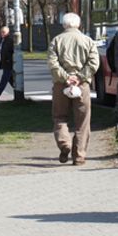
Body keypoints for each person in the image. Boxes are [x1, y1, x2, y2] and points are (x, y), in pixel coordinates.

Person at [47, 13, 99, 165]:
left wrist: (65, 77)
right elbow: (94, 63)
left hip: (60, 84)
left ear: (64, 25)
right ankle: (79, 156)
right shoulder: (88, 41)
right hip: (81, 85)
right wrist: (80, 77)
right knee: (83, 121)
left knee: (59, 117)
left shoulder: (56, 41)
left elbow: (52, 62)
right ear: (78, 24)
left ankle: (65, 144)